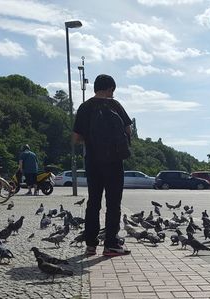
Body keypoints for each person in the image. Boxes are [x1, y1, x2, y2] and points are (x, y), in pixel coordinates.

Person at [73, 74, 132, 257]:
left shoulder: (85, 107)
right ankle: (111, 245)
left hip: (93, 160)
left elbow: (75, 138)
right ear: (110, 89)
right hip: (114, 161)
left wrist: (91, 140)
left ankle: (91, 244)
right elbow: (128, 130)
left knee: (94, 202)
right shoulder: (115, 105)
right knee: (113, 203)